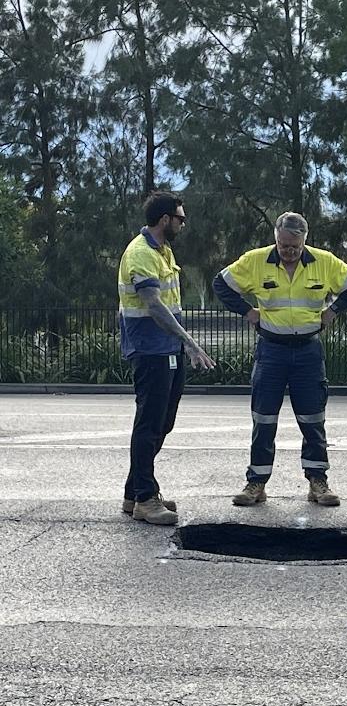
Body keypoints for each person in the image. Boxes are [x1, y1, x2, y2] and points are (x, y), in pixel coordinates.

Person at [213, 211, 347, 507]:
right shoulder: (255, 260)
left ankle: (317, 481)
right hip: (271, 349)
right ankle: (256, 483)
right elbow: (221, 284)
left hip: (308, 350)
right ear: (276, 238)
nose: (288, 252)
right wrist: (247, 311)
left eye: (294, 246)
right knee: (264, 417)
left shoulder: (324, 262)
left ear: (304, 241)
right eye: (283, 245)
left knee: (312, 418)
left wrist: (333, 310)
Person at [118, 192, 215, 525]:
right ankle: (145, 497)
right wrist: (190, 342)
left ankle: (135, 493)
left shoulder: (163, 250)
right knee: (149, 423)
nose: (183, 224)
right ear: (164, 220)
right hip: (150, 349)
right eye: (180, 218)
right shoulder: (141, 252)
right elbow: (155, 305)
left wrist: (180, 344)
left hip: (167, 348)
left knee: (164, 421)